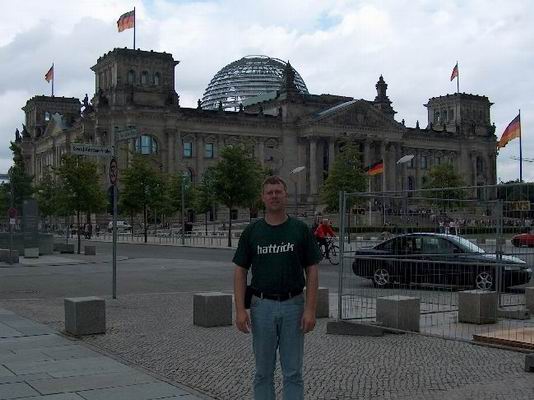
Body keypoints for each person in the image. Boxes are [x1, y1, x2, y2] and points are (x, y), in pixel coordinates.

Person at [233, 175, 321, 400]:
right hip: (261, 306)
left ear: (286, 195)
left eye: (278, 192)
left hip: (294, 306)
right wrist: (240, 310)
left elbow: (312, 270)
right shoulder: (252, 232)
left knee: (293, 372)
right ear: (263, 197)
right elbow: (240, 271)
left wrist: (310, 310)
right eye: (270, 192)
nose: (274, 196)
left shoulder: (299, 229)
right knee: (263, 372)